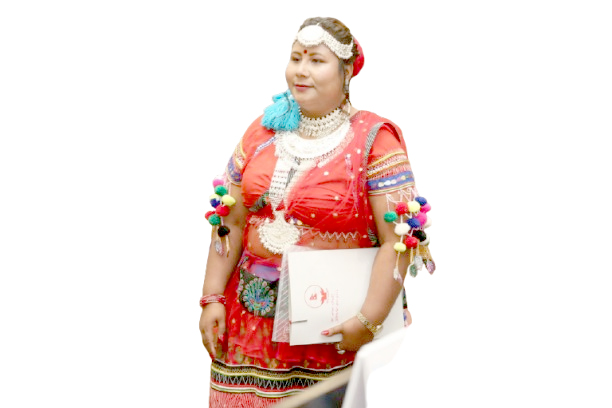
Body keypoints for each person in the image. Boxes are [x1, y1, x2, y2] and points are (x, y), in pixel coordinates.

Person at [199, 17, 434, 407]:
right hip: (247, 329)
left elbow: (400, 238)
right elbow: (231, 220)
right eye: (296, 58)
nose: (301, 70)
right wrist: (211, 298)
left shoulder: (374, 139)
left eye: (316, 61)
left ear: (346, 72)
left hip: (332, 334)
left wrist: (368, 321)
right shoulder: (262, 132)